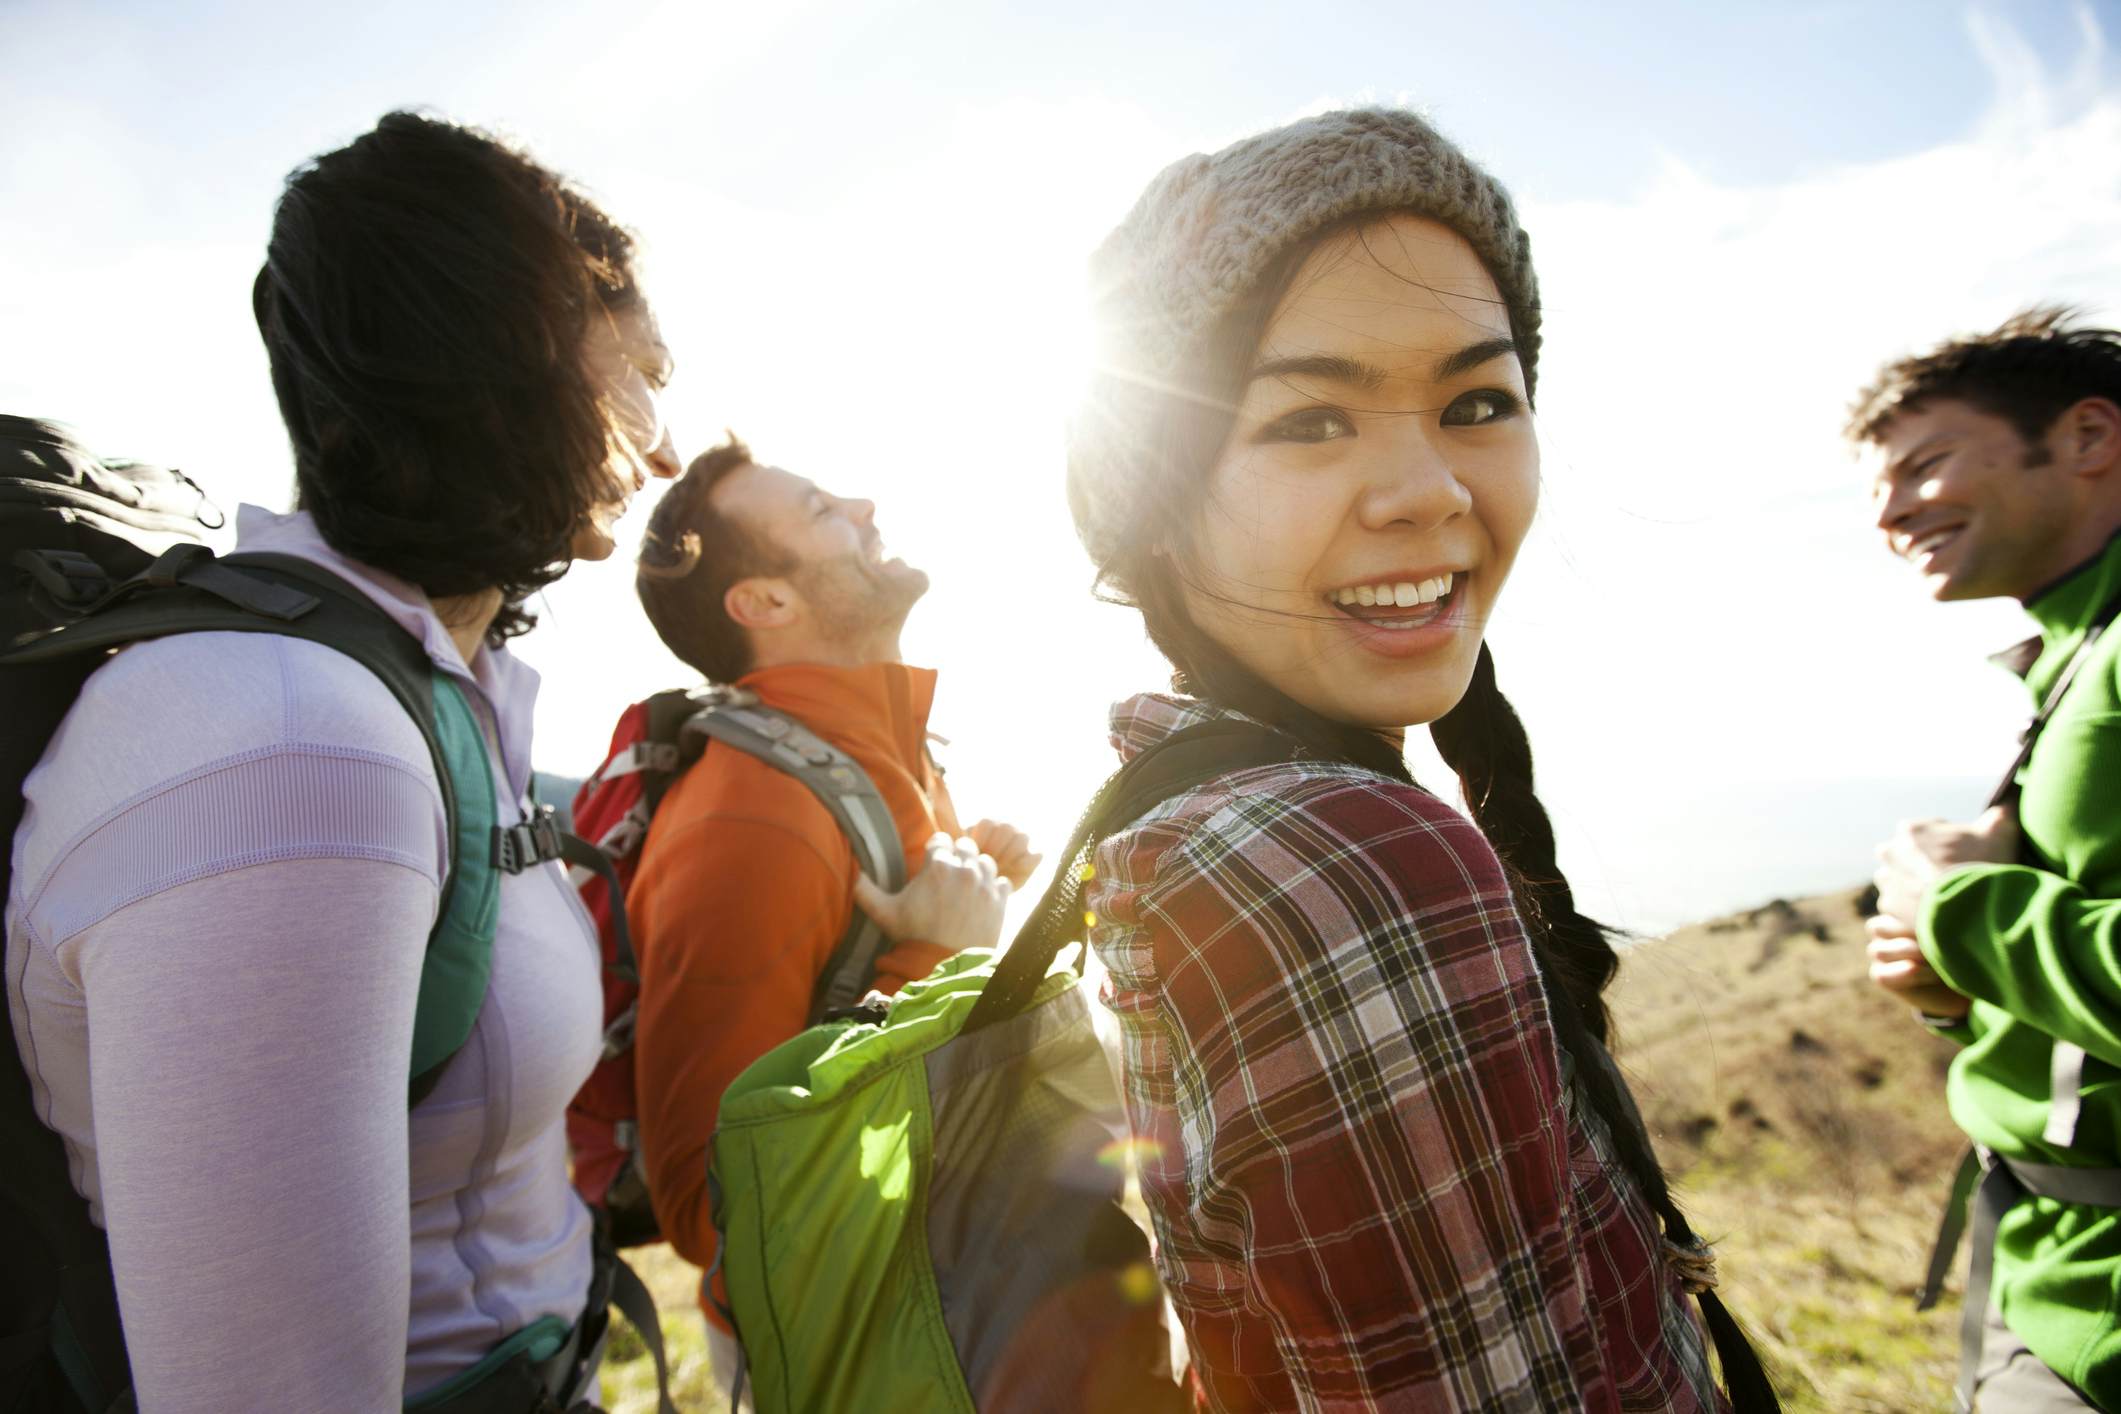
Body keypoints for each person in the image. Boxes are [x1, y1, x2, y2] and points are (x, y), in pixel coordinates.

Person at [1062, 108, 1778, 1412]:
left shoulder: (1183, 809)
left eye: (1477, 401)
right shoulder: (1351, 863)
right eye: (1309, 421)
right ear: (1154, 499)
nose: (1428, 490)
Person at [4, 112, 679, 1411]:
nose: (660, 442)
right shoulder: (289, 742)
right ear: (517, 355)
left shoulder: (392, 680)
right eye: (640, 371)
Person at [622, 435, 1032, 1380]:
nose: (863, 505)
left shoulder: (886, 759)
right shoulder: (752, 816)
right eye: (819, 510)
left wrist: (969, 902)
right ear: (765, 602)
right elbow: (710, 1208)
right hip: (852, 1354)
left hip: (944, 1307)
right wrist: (933, 957)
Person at [1858, 309, 2121, 1411]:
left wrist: (1961, 906)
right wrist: (1952, 992)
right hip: (2051, 1264)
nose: (1890, 512)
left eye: (1925, 464)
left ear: (2089, 437)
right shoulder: (2075, 649)